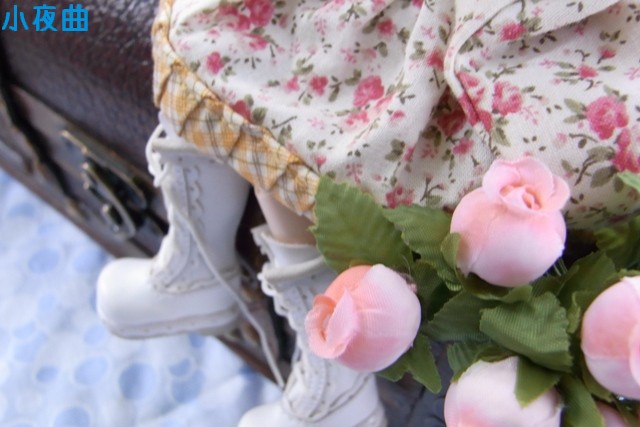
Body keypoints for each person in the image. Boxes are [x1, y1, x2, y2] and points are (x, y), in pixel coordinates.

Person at [97, 0, 640, 425]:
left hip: (532, 56)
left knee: (292, 85)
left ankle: (333, 388)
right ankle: (197, 266)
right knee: (244, 42)